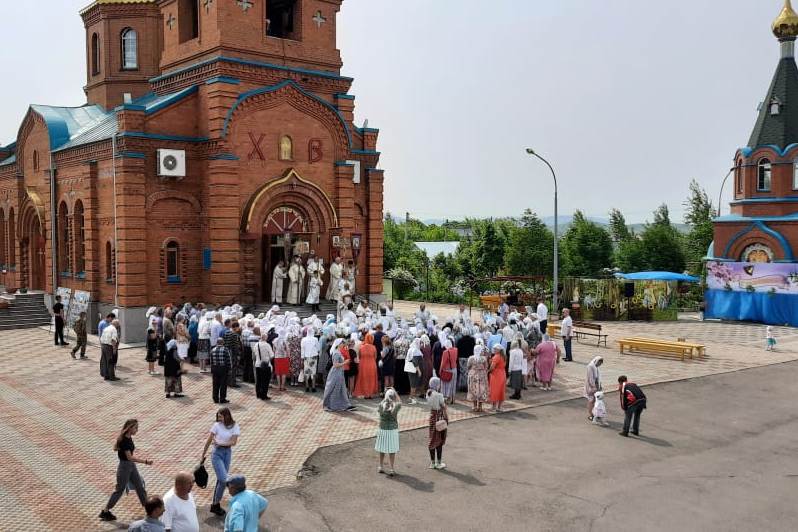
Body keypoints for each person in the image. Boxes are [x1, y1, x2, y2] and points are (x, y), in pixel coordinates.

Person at [99, 419, 154, 522]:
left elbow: (121, 452)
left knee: (140, 487)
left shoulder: (127, 438)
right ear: (129, 428)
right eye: (135, 428)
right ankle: (105, 511)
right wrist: (145, 461)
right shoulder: (125, 440)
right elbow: (130, 457)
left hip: (130, 466)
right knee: (119, 490)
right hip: (125, 467)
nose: (137, 430)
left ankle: (149, 510)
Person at [201, 408, 241, 517]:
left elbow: (233, 442)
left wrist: (219, 442)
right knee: (224, 479)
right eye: (218, 416)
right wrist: (203, 454)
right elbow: (209, 440)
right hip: (216, 454)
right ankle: (237, 490)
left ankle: (215, 505)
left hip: (227, 453)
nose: (219, 419)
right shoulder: (216, 425)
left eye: (221, 416)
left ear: (227, 416)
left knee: (221, 481)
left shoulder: (235, 426)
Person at [375, 387, 401, 476]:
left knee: (382, 449)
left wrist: (386, 396)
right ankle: (391, 469)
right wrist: (394, 392)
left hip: (382, 429)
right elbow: (399, 401)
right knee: (392, 450)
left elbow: (379, 407)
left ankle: (381, 466)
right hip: (392, 430)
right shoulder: (396, 406)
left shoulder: (381, 405)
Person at [323, 339, 354, 411]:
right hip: (336, 373)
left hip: (339, 372)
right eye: (342, 343)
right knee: (335, 388)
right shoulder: (337, 353)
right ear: (338, 344)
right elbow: (335, 365)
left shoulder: (338, 352)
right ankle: (332, 405)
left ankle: (343, 405)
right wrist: (345, 362)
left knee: (341, 389)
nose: (343, 344)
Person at [426, 377, 448, 470]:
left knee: (432, 438)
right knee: (439, 441)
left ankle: (432, 463)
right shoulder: (439, 395)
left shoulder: (428, 393)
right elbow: (443, 406)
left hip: (432, 417)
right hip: (439, 418)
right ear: (437, 385)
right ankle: (439, 463)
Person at [354, 333, 379, 399]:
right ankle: (370, 394)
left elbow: (359, 356)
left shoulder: (361, 346)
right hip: (372, 364)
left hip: (363, 364)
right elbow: (375, 357)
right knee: (371, 378)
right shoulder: (373, 347)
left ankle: (365, 393)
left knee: (363, 378)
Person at [466, 343, 489, 412]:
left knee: (474, 390)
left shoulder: (471, 358)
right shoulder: (483, 358)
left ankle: (475, 406)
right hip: (482, 375)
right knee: (481, 390)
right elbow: (486, 367)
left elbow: (468, 366)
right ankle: (480, 407)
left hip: (473, 375)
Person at [210, 338, 232, 404]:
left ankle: (215, 398)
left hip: (215, 368)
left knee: (215, 384)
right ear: (223, 342)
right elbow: (229, 360)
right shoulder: (225, 350)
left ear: (217, 343)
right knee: (223, 384)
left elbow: (211, 361)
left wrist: (212, 370)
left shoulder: (212, 350)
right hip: (223, 368)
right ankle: (222, 398)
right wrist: (230, 369)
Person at [253, 330, 273, 401]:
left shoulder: (256, 344)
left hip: (258, 364)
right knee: (265, 381)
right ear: (266, 338)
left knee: (258, 380)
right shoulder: (267, 345)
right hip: (266, 365)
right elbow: (271, 355)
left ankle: (258, 394)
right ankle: (264, 395)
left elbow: (254, 354)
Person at [300, 327, 320, 393]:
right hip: (313, 357)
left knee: (306, 372)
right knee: (313, 372)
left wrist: (302, 358)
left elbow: (302, 349)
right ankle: (313, 387)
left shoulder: (303, 339)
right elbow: (318, 348)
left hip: (306, 357)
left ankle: (307, 387)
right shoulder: (315, 339)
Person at [403, 338, 423, 405]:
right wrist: (419, 370)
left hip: (410, 369)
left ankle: (411, 397)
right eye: (420, 343)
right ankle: (412, 398)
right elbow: (415, 361)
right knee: (413, 384)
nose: (421, 344)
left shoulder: (411, 349)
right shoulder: (416, 350)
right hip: (414, 369)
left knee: (412, 384)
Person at [488, 344, 507, 412]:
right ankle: (499, 407)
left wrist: (489, 371)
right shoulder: (503, 356)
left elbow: (492, 367)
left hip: (496, 375)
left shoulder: (496, 356)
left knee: (494, 390)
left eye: (495, 349)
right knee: (501, 391)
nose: (494, 350)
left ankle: (493, 407)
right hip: (502, 373)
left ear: (499, 350)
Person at [439, 340, 458, 404]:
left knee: (446, 385)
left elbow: (443, 362)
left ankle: (447, 399)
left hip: (447, 370)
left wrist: (440, 370)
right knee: (453, 385)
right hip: (454, 369)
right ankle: (453, 399)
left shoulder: (445, 352)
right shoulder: (456, 350)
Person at [585, 356, 604, 422]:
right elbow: (590, 378)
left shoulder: (596, 367)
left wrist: (599, 385)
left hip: (596, 385)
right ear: (596, 361)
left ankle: (595, 413)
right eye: (599, 363)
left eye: (600, 364)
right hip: (591, 386)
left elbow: (598, 377)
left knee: (596, 401)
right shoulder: (590, 366)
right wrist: (594, 387)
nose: (599, 365)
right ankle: (591, 415)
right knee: (591, 400)